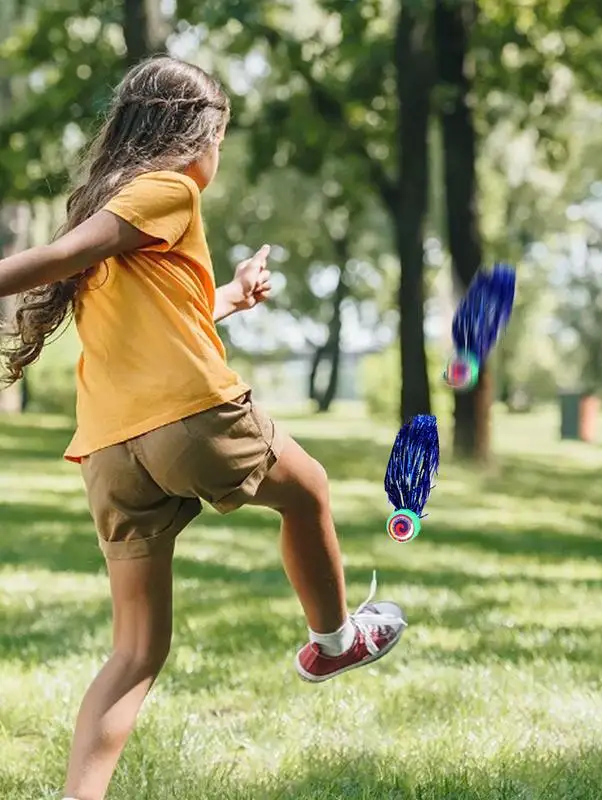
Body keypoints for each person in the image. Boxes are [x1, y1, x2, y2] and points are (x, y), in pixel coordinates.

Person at [0, 56, 407, 800]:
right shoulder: (170, 190)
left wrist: (226, 298)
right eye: (219, 139)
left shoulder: (112, 203)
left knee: (135, 651)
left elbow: (155, 321)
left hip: (113, 450)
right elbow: (56, 259)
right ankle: (335, 642)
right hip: (193, 418)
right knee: (308, 489)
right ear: (197, 137)